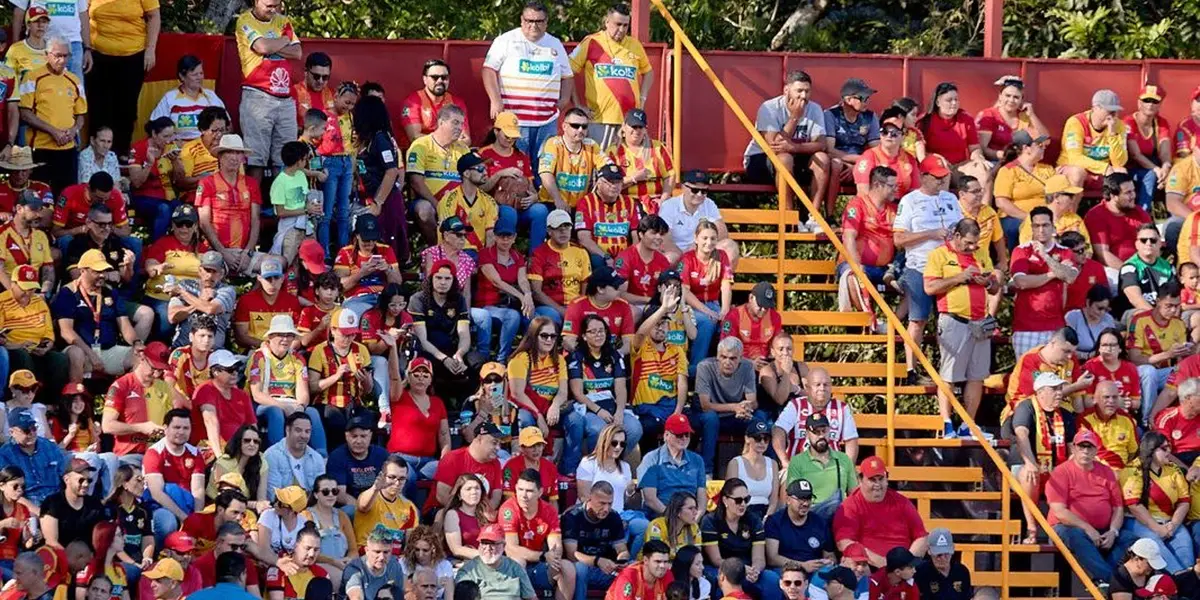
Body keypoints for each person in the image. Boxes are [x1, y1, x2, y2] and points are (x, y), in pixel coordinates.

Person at [923, 218, 1000, 437]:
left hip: (980, 322)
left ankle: (968, 424)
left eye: (975, 243)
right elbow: (929, 287)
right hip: (954, 320)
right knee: (948, 375)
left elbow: (995, 288)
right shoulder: (939, 254)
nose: (972, 247)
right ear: (956, 236)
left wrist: (989, 282)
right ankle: (946, 423)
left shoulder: (981, 253)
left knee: (977, 376)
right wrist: (959, 278)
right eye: (968, 243)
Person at [894, 155, 963, 381]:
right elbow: (899, 240)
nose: (941, 182)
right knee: (918, 319)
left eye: (944, 177)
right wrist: (930, 234)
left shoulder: (951, 199)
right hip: (920, 267)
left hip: (950, 267)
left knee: (951, 320)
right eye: (936, 178)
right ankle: (911, 369)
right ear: (923, 176)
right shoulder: (910, 201)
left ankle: (949, 371)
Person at [482, 1, 573, 158]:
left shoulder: (555, 44)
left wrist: (564, 99)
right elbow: (488, 69)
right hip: (515, 120)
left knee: (544, 168)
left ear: (546, 22)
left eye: (539, 21)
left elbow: (568, 76)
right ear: (521, 20)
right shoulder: (505, 40)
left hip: (547, 121)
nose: (533, 25)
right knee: (517, 166)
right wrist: (495, 101)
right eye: (529, 21)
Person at [744, 70, 829, 219]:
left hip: (796, 157)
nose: (803, 96)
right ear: (786, 90)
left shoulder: (814, 109)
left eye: (807, 91)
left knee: (822, 158)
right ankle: (788, 218)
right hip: (761, 159)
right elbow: (775, 145)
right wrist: (795, 117)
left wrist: (795, 147)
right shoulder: (769, 108)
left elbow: (821, 144)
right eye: (799, 91)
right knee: (784, 158)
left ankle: (813, 217)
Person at [1043, 428, 1123, 583]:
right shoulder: (1061, 472)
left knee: (1130, 539)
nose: (1085, 451)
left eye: (1089, 447)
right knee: (1076, 536)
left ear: (1096, 450)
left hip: (1103, 529)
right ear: (1073, 448)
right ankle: (1114, 583)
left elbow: (1118, 507)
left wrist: (1113, 531)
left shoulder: (1107, 472)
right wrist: (1088, 528)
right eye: (1081, 447)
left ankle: (1106, 580)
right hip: (1067, 527)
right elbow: (1059, 511)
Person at [568, 3, 652, 149]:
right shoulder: (592, 42)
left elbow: (649, 72)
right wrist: (577, 105)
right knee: (600, 167)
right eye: (618, 24)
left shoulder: (635, 45)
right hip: (599, 120)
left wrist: (642, 100)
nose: (621, 30)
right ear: (607, 22)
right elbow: (568, 71)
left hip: (630, 122)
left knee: (629, 167)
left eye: (626, 25)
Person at [1008, 371, 1079, 543]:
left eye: (1060, 388)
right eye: (1054, 389)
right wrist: (1031, 463)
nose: (1059, 393)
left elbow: (1072, 449)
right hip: (1026, 466)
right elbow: (1021, 435)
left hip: (1055, 468)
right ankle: (1032, 528)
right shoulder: (1026, 407)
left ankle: (1060, 530)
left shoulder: (1066, 414)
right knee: (1028, 474)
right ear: (1040, 392)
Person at [233, 0, 300, 180]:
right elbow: (261, 47)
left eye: (276, 5)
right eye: (268, 6)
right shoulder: (244, 20)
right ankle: (255, 205)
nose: (273, 10)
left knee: (287, 157)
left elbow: (297, 53)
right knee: (256, 158)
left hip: (285, 98)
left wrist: (272, 47)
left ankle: (281, 206)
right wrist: (285, 39)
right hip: (257, 95)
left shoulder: (283, 21)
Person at [248, 313, 327, 452]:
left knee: (312, 412)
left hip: (291, 403)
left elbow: (303, 393)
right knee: (276, 412)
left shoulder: (297, 358)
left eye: (289, 335)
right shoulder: (259, 357)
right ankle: (277, 454)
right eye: (280, 335)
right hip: (264, 404)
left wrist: (300, 408)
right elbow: (257, 394)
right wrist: (283, 407)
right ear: (270, 336)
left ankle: (322, 457)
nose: (285, 339)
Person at [832, 456, 928, 568]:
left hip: (906, 567)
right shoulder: (850, 506)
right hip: (868, 567)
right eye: (872, 480)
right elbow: (844, 543)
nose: (877, 484)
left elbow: (921, 537)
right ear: (860, 480)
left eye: (881, 479)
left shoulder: (902, 502)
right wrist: (884, 564)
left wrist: (906, 564)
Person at [1120, 431, 1194, 573]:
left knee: (1185, 547)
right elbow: (1134, 505)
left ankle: (1188, 579)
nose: (1169, 452)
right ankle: (1180, 577)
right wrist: (1157, 528)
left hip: (1170, 521)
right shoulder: (1133, 469)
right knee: (1155, 543)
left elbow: (1184, 501)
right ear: (1151, 449)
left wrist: (1173, 524)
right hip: (1139, 521)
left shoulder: (1173, 469)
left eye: (1169, 447)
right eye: (1164, 448)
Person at [1010, 206, 1079, 355]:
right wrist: (1053, 274)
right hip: (1026, 328)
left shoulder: (1064, 251)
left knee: (1056, 374)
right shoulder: (1021, 250)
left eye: (1045, 225)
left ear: (1053, 227)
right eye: (1037, 226)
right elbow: (1021, 282)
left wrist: (1046, 257)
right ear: (1032, 228)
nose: (1041, 230)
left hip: (1056, 327)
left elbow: (1070, 277)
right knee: (1028, 375)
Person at [19, 37, 84, 193]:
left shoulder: (74, 80)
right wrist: (53, 131)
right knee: (40, 196)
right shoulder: (32, 78)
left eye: (66, 56)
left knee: (67, 195)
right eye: (57, 55)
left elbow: (81, 114)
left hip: (67, 149)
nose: (62, 60)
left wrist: (74, 130)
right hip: (41, 147)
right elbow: (25, 113)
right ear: (46, 55)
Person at [498, 469, 576, 600]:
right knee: (518, 561)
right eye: (520, 489)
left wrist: (553, 555)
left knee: (567, 567)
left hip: (539, 565)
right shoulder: (508, 509)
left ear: (540, 492)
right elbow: (511, 549)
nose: (523, 495)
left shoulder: (549, 510)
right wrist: (543, 556)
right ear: (515, 488)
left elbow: (556, 547)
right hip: (513, 565)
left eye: (529, 491)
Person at [693, 338, 764, 474]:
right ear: (717, 356)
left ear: (740, 358)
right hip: (709, 416)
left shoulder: (747, 367)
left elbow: (753, 401)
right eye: (723, 357)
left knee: (760, 421)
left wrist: (745, 408)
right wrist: (734, 407)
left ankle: (763, 468)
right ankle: (707, 471)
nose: (727, 362)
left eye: (732, 358)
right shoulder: (704, 367)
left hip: (735, 416)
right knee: (710, 419)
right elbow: (705, 406)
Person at [195, 135, 263, 276]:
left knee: (278, 263)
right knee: (210, 270)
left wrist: (248, 253)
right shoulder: (207, 183)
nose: (234, 157)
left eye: (238, 153)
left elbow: (256, 220)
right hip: (215, 252)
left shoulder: (251, 183)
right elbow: (204, 223)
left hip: (244, 253)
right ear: (220, 156)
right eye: (230, 152)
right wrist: (224, 252)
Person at [307, 308, 373, 450]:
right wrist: (335, 377)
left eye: (352, 334)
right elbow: (312, 387)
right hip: (327, 402)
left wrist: (365, 381)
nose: (349, 339)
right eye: (345, 334)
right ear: (333, 330)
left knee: (367, 420)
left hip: (354, 403)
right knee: (336, 422)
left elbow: (368, 390)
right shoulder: (320, 350)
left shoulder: (361, 350)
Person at [629, 285, 690, 434]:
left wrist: (678, 412)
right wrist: (663, 308)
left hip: (670, 406)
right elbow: (641, 333)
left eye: (664, 324)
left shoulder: (676, 350)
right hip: (645, 407)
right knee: (650, 426)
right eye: (656, 324)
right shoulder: (640, 347)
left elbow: (682, 382)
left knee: (694, 424)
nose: (660, 328)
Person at [406, 106, 470, 247]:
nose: (460, 128)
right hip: (430, 202)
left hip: (457, 201)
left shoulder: (463, 149)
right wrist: (439, 205)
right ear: (441, 122)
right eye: (455, 122)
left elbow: (471, 180)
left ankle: (469, 253)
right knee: (424, 209)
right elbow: (416, 182)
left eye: (461, 123)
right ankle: (439, 249)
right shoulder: (421, 145)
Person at [839, 166, 898, 313]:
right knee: (852, 276)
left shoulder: (894, 210)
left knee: (914, 280)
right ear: (878, 185)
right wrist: (856, 265)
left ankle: (894, 324)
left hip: (885, 270)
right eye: (892, 186)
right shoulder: (857, 205)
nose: (896, 189)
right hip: (857, 265)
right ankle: (869, 319)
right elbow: (849, 237)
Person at [0, 266, 65, 398]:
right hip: (13, 348)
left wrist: (47, 346)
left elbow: (48, 334)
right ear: (13, 284)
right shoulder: (2, 301)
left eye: (32, 289)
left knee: (60, 359)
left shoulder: (39, 302)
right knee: (23, 356)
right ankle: (27, 400)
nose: (28, 293)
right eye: (24, 288)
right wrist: (18, 345)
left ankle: (52, 403)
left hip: (36, 348)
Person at [1128, 281, 1187, 424]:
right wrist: (1168, 354)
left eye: (1177, 306)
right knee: (1149, 372)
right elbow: (1134, 358)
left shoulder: (1178, 324)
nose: (1173, 310)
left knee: (1185, 371)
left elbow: (1180, 362)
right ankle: (1147, 420)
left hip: (1165, 372)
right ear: (1158, 301)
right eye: (1169, 306)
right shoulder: (1140, 320)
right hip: (1140, 372)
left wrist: (1188, 352)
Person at [680, 220, 734, 374]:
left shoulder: (722, 256)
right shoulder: (687, 258)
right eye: (704, 238)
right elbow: (685, 291)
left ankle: (725, 370)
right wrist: (706, 311)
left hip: (714, 303)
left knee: (728, 323)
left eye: (713, 238)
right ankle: (696, 369)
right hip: (693, 305)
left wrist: (724, 310)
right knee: (706, 322)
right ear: (696, 238)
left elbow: (726, 285)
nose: (709, 242)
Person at [919, 82, 992, 196]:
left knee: (982, 170)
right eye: (949, 100)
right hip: (937, 166)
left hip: (960, 166)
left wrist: (978, 157)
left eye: (956, 99)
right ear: (938, 102)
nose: (954, 103)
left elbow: (974, 148)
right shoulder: (925, 121)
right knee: (940, 168)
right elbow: (920, 153)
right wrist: (935, 157)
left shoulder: (965, 119)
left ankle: (984, 211)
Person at [143, 409, 206, 541]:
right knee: (167, 521)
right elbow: (156, 493)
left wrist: (197, 517)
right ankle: (162, 555)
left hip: (188, 505)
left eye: (186, 428)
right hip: (160, 505)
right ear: (166, 428)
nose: (181, 432)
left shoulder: (195, 453)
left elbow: (198, 490)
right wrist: (185, 518)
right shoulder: (154, 452)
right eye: (177, 427)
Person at [772, 367, 858, 464]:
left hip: (831, 469)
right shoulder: (796, 405)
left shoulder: (842, 408)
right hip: (797, 468)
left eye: (826, 385)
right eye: (817, 385)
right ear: (807, 387)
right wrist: (784, 461)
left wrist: (847, 468)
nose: (822, 388)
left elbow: (851, 440)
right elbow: (778, 430)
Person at [383, 357, 446, 488]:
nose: (421, 378)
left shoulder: (437, 402)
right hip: (401, 457)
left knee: (447, 473)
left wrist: (445, 460)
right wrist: (393, 347)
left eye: (425, 375)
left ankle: (434, 509)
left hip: (428, 460)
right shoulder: (399, 396)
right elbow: (394, 377)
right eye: (416, 374)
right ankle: (410, 509)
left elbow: (444, 435)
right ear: (409, 377)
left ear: (430, 379)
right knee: (408, 478)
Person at [783, 414, 856, 522]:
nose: (821, 435)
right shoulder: (797, 461)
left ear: (829, 431)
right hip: (809, 519)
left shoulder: (843, 459)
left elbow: (854, 495)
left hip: (839, 518)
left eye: (824, 431)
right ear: (807, 434)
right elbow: (793, 499)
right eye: (816, 432)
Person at [658, 171, 739, 267]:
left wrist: (697, 247)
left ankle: (725, 280)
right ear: (684, 187)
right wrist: (685, 258)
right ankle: (670, 281)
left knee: (730, 246)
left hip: (702, 252)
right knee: (670, 257)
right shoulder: (669, 206)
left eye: (704, 191)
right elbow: (664, 240)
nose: (700, 194)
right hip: (678, 256)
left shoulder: (709, 204)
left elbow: (722, 233)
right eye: (695, 190)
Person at [824, 78, 881, 217]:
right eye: (863, 98)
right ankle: (829, 216)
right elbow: (829, 149)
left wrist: (859, 165)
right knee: (836, 164)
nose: (867, 101)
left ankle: (869, 216)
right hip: (839, 161)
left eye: (868, 98)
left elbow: (877, 150)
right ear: (848, 100)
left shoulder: (870, 117)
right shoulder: (831, 115)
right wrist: (859, 162)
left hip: (861, 163)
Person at [564, 480, 629, 599]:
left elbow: (622, 549)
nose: (606, 508)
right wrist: (597, 561)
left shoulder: (614, 517)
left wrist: (622, 560)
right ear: (590, 498)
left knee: (632, 569)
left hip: (606, 568)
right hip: (581, 568)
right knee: (580, 569)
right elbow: (571, 555)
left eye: (610, 503)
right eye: (602, 503)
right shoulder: (573, 516)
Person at [508, 316, 569, 442]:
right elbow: (517, 393)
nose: (549, 340)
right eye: (544, 335)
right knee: (526, 419)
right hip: (528, 406)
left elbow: (563, 392)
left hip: (550, 407)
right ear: (534, 336)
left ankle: (570, 462)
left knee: (576, 421)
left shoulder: (559, 360)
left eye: (553, 336)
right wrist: (538, 415)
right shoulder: (520, 359)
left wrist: (555, 406)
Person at [993, 129, 1057, 245]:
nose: (1044, 148)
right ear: (1026, 148)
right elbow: (1001, 202)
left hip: (1046, 216)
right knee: (1015, 228)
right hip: (1015, 217)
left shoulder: (1047, 169)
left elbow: (1057, 195)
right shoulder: (1007, 171)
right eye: (1039, 145)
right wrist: (1029, 218)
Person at [605, 109, 674, 215]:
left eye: (640, 127)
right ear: (624, 127)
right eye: (633, 126)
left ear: (645, 129)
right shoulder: (613, 152)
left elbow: (670, 176)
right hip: (626, 204)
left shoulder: (657, 147)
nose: (637, 130)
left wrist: (663, 200)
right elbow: (608, 186)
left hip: (655, 203)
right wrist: (634, 178)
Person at [1058, 89, 1129, 191]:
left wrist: (1112, 134)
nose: (1113, 115)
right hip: (1071, 168)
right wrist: (1104, 168)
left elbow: (1119, 163)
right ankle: (1071, 207)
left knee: (1121, 173)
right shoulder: (1076, 122)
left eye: (1115, 111)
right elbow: (1075, 158)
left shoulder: (1119, 125)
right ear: (1095, 108)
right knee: (1078, 173)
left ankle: (1111, 207)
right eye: (1109, 111)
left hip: (1101, 171)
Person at [1086, 173, 1150, 285]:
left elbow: (1153, 241)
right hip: (1113, 269)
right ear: (1113, 196)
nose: (1133, 196)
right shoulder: (1096, 215)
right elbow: (1103, 254)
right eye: (1128, 193)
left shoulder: (1139, 212)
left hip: (1143, 266)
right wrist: (1129, 272)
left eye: (1133, 191)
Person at [529, 209, 591, 324]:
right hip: (550, 307)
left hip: (575, 304)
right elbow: (537, 293)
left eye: (567, 227)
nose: (563, 231)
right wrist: (562, 310)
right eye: (558, 228)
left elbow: (585, 286)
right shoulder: (539, 254)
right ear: (549, 231)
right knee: (554, 317)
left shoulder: (581, 251)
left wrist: (578, 307)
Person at [637, 414, 707, 518]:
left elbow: (702, 497)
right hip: (660, 518)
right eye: (679, 435)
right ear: (666, 435)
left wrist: (696, 518)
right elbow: (650, 499)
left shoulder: (697, 460)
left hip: (689, 518)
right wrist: (673, 518)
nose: (684, 438)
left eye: (687, 435)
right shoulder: (651, 459)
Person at [574, 164, 639, 269]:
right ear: (599, 183)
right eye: (611, 182)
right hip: (599, 257)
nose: (615, 186)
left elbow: (637, 238)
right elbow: (583, 239)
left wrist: (626, 258)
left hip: (625, 258)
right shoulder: (585, 203)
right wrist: (606, 257)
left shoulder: (630, 203)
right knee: (596, 261)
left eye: (618, 182)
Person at [538, 108, 603, 212]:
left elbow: (607, 167)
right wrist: (558, 199)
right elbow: (545, 173)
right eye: (575, 126)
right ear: (564, 126)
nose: (580, 130)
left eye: (584, 126)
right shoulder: (553, 143)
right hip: (552, 203)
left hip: (579, 207)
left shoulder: (591, 145)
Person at [1120, 85, 1173, 212]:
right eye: (1146, 100)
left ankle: (1171, 219)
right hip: (1131, 167)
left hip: (1153, 166)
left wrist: (1166, 167)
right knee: (1151, 176)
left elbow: (1165, 150)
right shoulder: (1128, 121)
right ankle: (1143, 214)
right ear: (1139, 103)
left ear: (1160, 105)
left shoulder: (1161, 123)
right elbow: (1135, 155)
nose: (1150, 104)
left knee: (1173, 175)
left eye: (1155, 101)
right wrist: (1156, 169)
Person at [150, 55, 225, 142]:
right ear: (182, 76)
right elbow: (155, 126)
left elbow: (227, 126)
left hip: (208, 149)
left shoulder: (211, 96)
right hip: (179, 150)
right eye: (194, 75)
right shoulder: (170, 98)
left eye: (201, 73)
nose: (199, 78)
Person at [128, 117, 181, 242]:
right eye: (165, 136)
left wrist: (175, 162)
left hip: (167, 196)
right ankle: (157, 246)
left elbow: (179, 180)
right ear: (154, 134)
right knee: (164, 209)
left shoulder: (171, 147)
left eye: (171, 136)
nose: (168, 141)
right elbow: (136, 183)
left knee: (184, 209)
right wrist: (149, 163)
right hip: (144, 197)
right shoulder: (138, 148)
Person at [0, 408, 67, 505]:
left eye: (34, 428)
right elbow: (10, 492)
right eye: (26, 430)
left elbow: (64, 474)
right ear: (12, 432)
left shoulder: (50, 447)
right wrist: (36, 511)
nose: (32, 433)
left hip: (56, 498)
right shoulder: (4, 455)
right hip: (26, 503)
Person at [432, 422, 503, 512]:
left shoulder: (496, 463)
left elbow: (496, 495)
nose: (498, 448)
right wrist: (466, 515)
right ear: (479, 439)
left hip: (479, 515)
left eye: (499, 444)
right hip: (446, 511)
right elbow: (442, 496)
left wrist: (483, 514)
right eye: (494, 443)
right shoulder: (453, 458)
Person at [354, 456, 418, 555]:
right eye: (392, 477)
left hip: (395, 559)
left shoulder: (409, 507)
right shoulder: (370, 496)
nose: (397, 483)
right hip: (368, 556)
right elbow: (363, 506)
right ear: (382, 476)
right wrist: (375, 488)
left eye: (402, 479)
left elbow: (410, 542)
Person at [765, 479, 833, 573]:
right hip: (785, 571)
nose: (805, 503)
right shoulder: (774, 521)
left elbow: (829, 554)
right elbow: (772, 558)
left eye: (808, 498)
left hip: (815, 572)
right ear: (788, 500)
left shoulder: (820, 522)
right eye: (801, 499)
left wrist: (828, 561)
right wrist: (802, 566)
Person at [454, 523, 535, 600]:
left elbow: (531, 598)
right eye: (484, 543)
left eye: (493, 543)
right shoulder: (468, 571)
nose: (488, 548)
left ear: (503, 546)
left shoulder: (515, 568)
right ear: (479, 545)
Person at [976, 76, 1049, 161]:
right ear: (1000, 96)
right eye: (1008, 95)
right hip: (996, 162)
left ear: (1021, 99)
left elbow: (1045, 140)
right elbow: (983, 149)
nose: (1011, 100)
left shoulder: (1024, 116)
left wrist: (1032, 116)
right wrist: (1005, 155)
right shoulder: (989, 115)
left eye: (1016, 97)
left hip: (1021, 164)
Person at [401, 59, 470, 144]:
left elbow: (466, 139)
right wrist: (446, 141)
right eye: (435, 77)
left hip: (451, 154)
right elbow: (415, 137)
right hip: (423, 153)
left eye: (444, 77)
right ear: (425, 79)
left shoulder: (457, 103)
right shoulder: (412, 102)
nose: (440, 81)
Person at [40, 458, 106, 548]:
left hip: (89, 558)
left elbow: (101, 538)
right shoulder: (52, 503)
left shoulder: (94, 504)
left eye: (89, 480)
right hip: (62, 557)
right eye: (81, 480)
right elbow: (51, 542)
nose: (86, 484)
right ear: (66, 479)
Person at [305, 475, 356, 587]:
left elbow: (353, 549)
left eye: (334, 491)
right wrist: (333, 561)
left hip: (343, 564)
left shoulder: (342, 516)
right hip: (317, 565)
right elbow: (305, 552)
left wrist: (349, 559)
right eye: (325, 492)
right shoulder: (306, 516)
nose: (331, 495)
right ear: (315, 495)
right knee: (340, 579)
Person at [1078, 380, 1140, 471]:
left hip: (1122, 472)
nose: (1111, 401)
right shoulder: (1084, 420)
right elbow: (1084, 452)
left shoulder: (1126, 419)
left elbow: (1132, 452)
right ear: (1095, 399)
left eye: (1115, 397)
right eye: (1106, 397)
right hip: (1095, 471)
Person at [264, 412, 326, 497]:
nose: (303, 435)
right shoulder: (272, 455)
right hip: (282, 507)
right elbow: (273, 495)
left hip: (311, 507)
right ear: (287, 430)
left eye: (307, 431)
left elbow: (322, 493)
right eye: (298, 430)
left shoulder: (317, 458)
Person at [173, 107, 229, 201]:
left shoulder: (230, 148)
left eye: (222, 130)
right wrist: (208, 178)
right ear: (203, 129)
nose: (219, 135)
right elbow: (182, 183)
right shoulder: (190, 149)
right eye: (214, 131)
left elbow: (239, 179)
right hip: (198, 197)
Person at [726, 420, 778, 522]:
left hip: (765, 512)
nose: (762, 442)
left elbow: (773, 499)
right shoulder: (736, 463)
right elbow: (731, 496)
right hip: (743, 513)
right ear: (747, 439)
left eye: (766, 439)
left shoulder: (773, 464)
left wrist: (767, 517)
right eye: (758, 438)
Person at [207, 425, 267, 509]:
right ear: (238, 442)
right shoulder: (223, 463)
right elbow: (227, 500)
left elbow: (261, 498)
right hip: (219, 507)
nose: (252, 444)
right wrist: (255, 505)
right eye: (247, 440)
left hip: (245, 508)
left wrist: (262, 507)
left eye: (256, 441)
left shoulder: (261, 462)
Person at [265, 525, 330, 600]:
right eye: (307, 548)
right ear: (295, 546)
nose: (311, 554)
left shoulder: (321, 574)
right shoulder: (278, 570)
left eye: (316, 550)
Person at [1121, 224, 1172, 317]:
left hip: (1165, 312)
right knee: (1140, 314)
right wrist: (1157, 317)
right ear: (1136, 244)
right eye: (1143, 240)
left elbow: (1175, 295)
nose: (1148, 243)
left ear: (1160, 243)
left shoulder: (1168, 266)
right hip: (1136, 311)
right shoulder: (1129, 267)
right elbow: (1135, 299)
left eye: (1153, 240)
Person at [502, 427, 559, 505]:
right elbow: (508, 501)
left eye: (539, 445)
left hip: (544, 512)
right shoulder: (511, 466)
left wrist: (553, 517)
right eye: (532, 446)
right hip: (518, 510)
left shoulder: (550, 467)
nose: (536, 450)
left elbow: (553, 501)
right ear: (522, 448)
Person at [342, 530, 404, 600]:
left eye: (386, 552)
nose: (382, 557)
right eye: (377, 552)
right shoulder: (354, 568)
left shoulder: (395, 566)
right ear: (367, 550)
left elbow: (400, 595)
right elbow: (356, 597)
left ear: (391, 551)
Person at [1152, 377, 1200, 465]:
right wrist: (1185, 469)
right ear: (1188, 398)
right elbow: (1162, 451)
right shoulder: (1167, 418)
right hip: (1177, 461)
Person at [605, 540, 671, 600]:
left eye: (665, 562)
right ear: (646, 560)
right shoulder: (628, 576)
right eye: (658, 561)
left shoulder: (667, 574)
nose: (662, 566)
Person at [1068, 287, 1118, 359]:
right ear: (1088, 302)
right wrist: (1087, 356)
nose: (1102, 313)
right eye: (1099, 308)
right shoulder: (1073, 317)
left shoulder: (1108, 319)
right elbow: (1065, 347)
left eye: (1106, 309)